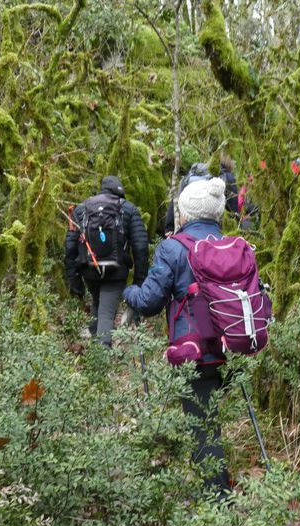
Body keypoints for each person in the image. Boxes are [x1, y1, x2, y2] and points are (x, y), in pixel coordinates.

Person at [124, 178, 231, 499]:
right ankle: (217, 485)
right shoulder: (229, 244)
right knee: (209, 420)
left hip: (195, 349)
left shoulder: (173, 248)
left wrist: (129, 292)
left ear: (185, 213)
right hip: (233, 344)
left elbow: (150, 301)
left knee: (201, 426)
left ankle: (217, 503)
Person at [65, 176, 148, 347]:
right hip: (116, 272)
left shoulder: (81, 209)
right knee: (106, 312)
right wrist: (139, 279)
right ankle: (102, 356)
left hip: (89, 269)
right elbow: (140, 246)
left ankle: (96, 351)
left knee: (98, 302)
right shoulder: (128, 209)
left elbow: (70, 247)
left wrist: (74, 279)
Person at [164, 155, 238, 235]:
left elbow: (175, 201)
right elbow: (233, 210)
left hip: (188, 227)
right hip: (213, 229)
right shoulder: (227, 177)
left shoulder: (191, 175)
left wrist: (169, 228)